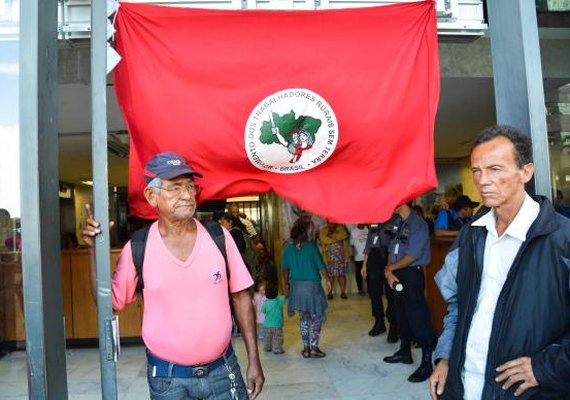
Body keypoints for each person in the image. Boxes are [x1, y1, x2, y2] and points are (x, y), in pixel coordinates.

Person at [82, 152, 264, 400]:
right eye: (175, 188)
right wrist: (92, 251)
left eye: (190, 186)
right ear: (151, 196)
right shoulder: (139, 247)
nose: (187, 195)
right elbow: (109, 303)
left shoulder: (218, 237)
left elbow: (242, 296)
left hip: (224, 371)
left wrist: (254, 357)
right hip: (168, 380)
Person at [429, 125, 570, 400]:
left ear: (525, 172)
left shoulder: (562, 239)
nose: (482, 180)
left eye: (495, 169)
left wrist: (545, 367)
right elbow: (457, 304)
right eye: (476, 171)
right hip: (463, 387)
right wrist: (445, 356)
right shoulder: (471, 235)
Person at [383, 202, 435, 383]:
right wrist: (390, 270)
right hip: (396, 273)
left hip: (411, 274)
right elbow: (391, 248)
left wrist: (390, 269)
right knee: (401, 313)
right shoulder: (397, 222)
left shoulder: (418, 224)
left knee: (417, 316)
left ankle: (427, 363)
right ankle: (405, 351)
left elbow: (412, 255)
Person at [282, 225, 331, 358]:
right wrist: (328, 280)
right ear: (303, 234)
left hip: (297, 288)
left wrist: (286, 283)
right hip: (312, 288)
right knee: (316, 317)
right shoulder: (311, 247)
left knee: (304, 317)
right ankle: (314, 347)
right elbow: (320, 265)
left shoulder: (288, 249)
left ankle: (306, 349)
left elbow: (285, 269)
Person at [361, 222, 397, 340]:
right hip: (374, 257)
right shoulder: (373, 222)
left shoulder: (395, 220)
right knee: (374, 293)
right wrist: (364, 264)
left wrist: (390, 263)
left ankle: (393, 325)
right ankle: (379, 322)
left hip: (390, 256)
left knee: (391, 294)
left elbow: (397, 241)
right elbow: (368, 244)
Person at [317, 222, 350, 299]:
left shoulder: (341, 228)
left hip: (341, 258)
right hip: (329, 259)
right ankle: (330, 293)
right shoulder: (324, 230)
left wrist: (331, 237)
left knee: (341, 275)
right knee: (330, 276)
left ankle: (343, 292)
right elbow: (324, 239)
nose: (331, 223)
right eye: (329, 221)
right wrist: (336, 238)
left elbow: (344, 235)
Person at [260, 283, 286, 354]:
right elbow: (286, 297)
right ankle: (277, 349)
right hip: (277, 324)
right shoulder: (279, 301)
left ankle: (267, 347)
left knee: (267, 337)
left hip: (267, 324)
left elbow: (263, 311)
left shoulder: (266, 303)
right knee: (277, 337)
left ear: (266, 294)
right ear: (277, 293)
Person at [349, 224, 369, 296]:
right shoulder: (353, 231)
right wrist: (352, 254)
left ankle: (370, 289)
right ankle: (360, 289)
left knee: (369, 274)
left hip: (367, 257)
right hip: (358, 257)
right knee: (358, 274)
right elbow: (351, 245)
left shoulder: (368, 229)